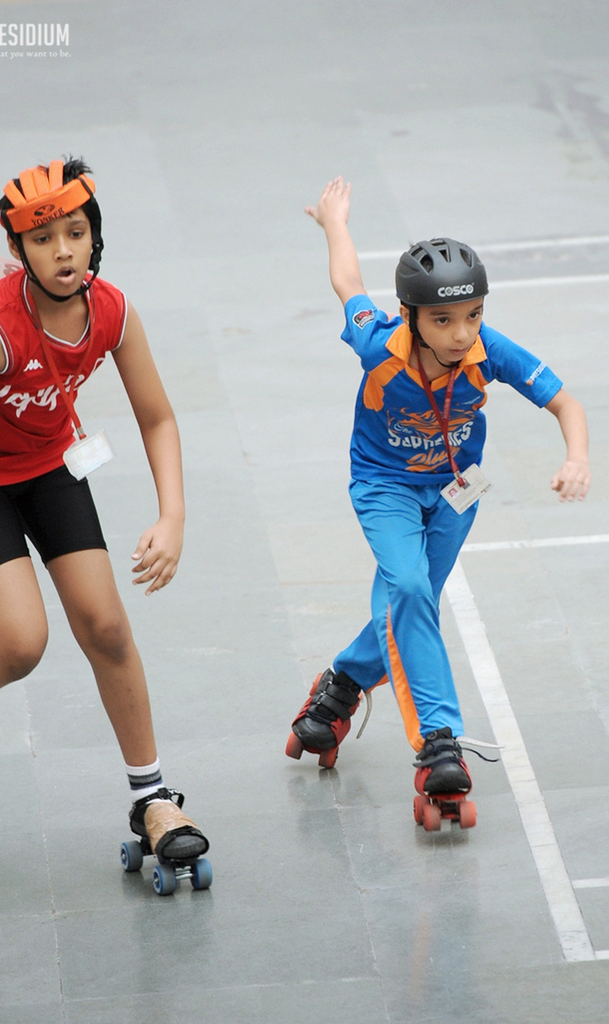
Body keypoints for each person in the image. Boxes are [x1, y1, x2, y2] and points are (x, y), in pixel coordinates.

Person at [0, 158, 208, 867]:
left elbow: (158, 417)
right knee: (22, 644)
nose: (63, 253)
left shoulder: (111, 310)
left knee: (107, 625)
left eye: (76, 234)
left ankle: (153, 798)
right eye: (44, 240)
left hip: (50, 464)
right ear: (19, 249)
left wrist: (171, 516)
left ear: (95, 237)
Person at [286, 177, 591, 807]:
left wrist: (577, 457)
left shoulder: (488, 350)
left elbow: (565, 402)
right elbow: (349, 284)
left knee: (411, 603)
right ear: (412, 318)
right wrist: (334, 223)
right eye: (444, 319)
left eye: (473, 315)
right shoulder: (379, 346)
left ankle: (342, 683)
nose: (461, 332)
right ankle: (438, 740)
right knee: (411, 590)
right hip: (385, 486)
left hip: (455, 492)